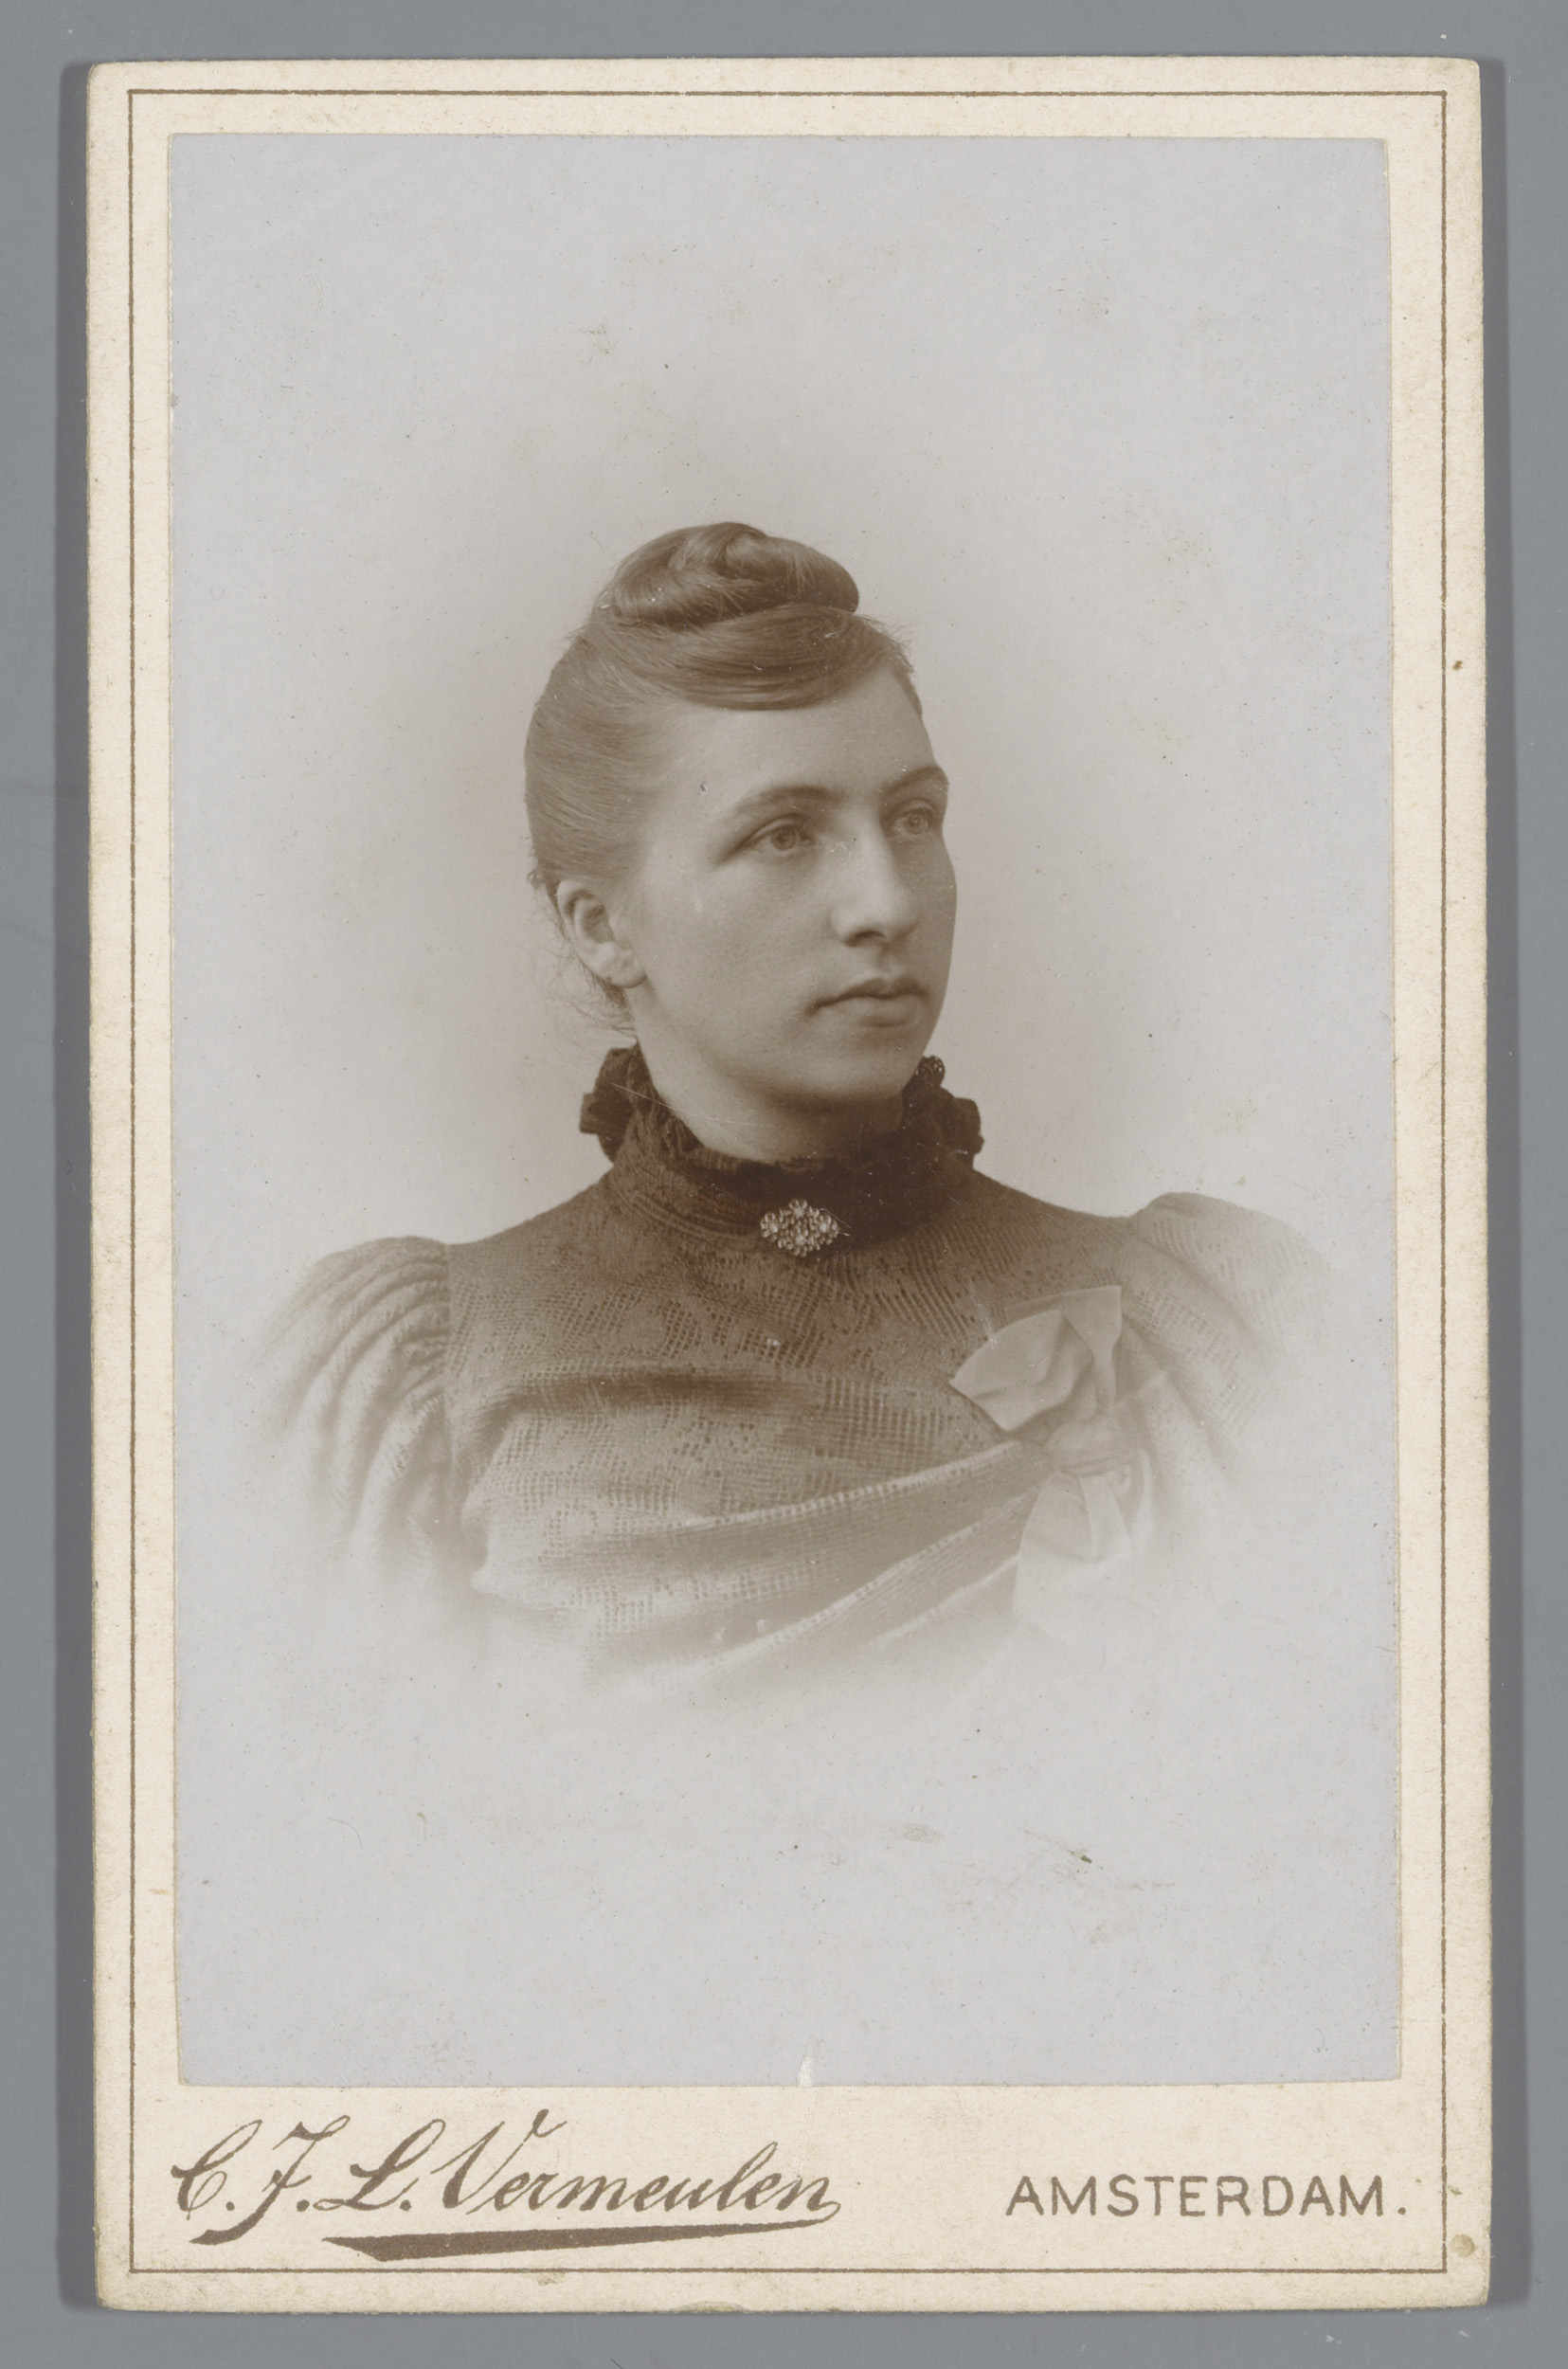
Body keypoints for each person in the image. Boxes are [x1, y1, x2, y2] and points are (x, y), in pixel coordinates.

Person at [268, 522, 1331, 1692]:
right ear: (601, 925)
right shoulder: (420, 1380)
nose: (887, 903)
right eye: (784, 835)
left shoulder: (1204, 1325)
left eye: (912, 819)